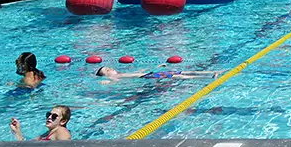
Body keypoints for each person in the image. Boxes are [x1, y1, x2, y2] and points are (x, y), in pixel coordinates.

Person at [95, 66, 223, 84]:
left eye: (108, 68)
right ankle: (208, 77)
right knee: (176, 76)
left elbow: (141, 70)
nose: (109, 69)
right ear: (106, 75)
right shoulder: (113, 77)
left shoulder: (122, 72)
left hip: (151, 73)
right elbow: (114, 82)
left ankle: (212, 72)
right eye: (106, 70)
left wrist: (156, 67)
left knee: (179, 72)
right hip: (148, 77)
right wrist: (107, 82)